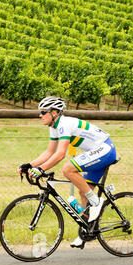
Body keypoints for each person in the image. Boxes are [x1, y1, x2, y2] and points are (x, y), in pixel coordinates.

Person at [18, 96, 117, 248]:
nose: (40, 115)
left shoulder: (64, 124)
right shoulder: (54, 126)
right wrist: (30, 165)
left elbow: (60, 154)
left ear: (55, 112)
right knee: (84, 192)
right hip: (96, 152)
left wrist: (41, 169)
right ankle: (87, 231)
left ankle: (97, 203)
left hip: (105, 150)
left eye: (43, 112)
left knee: (68, 169)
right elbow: (50, 151)